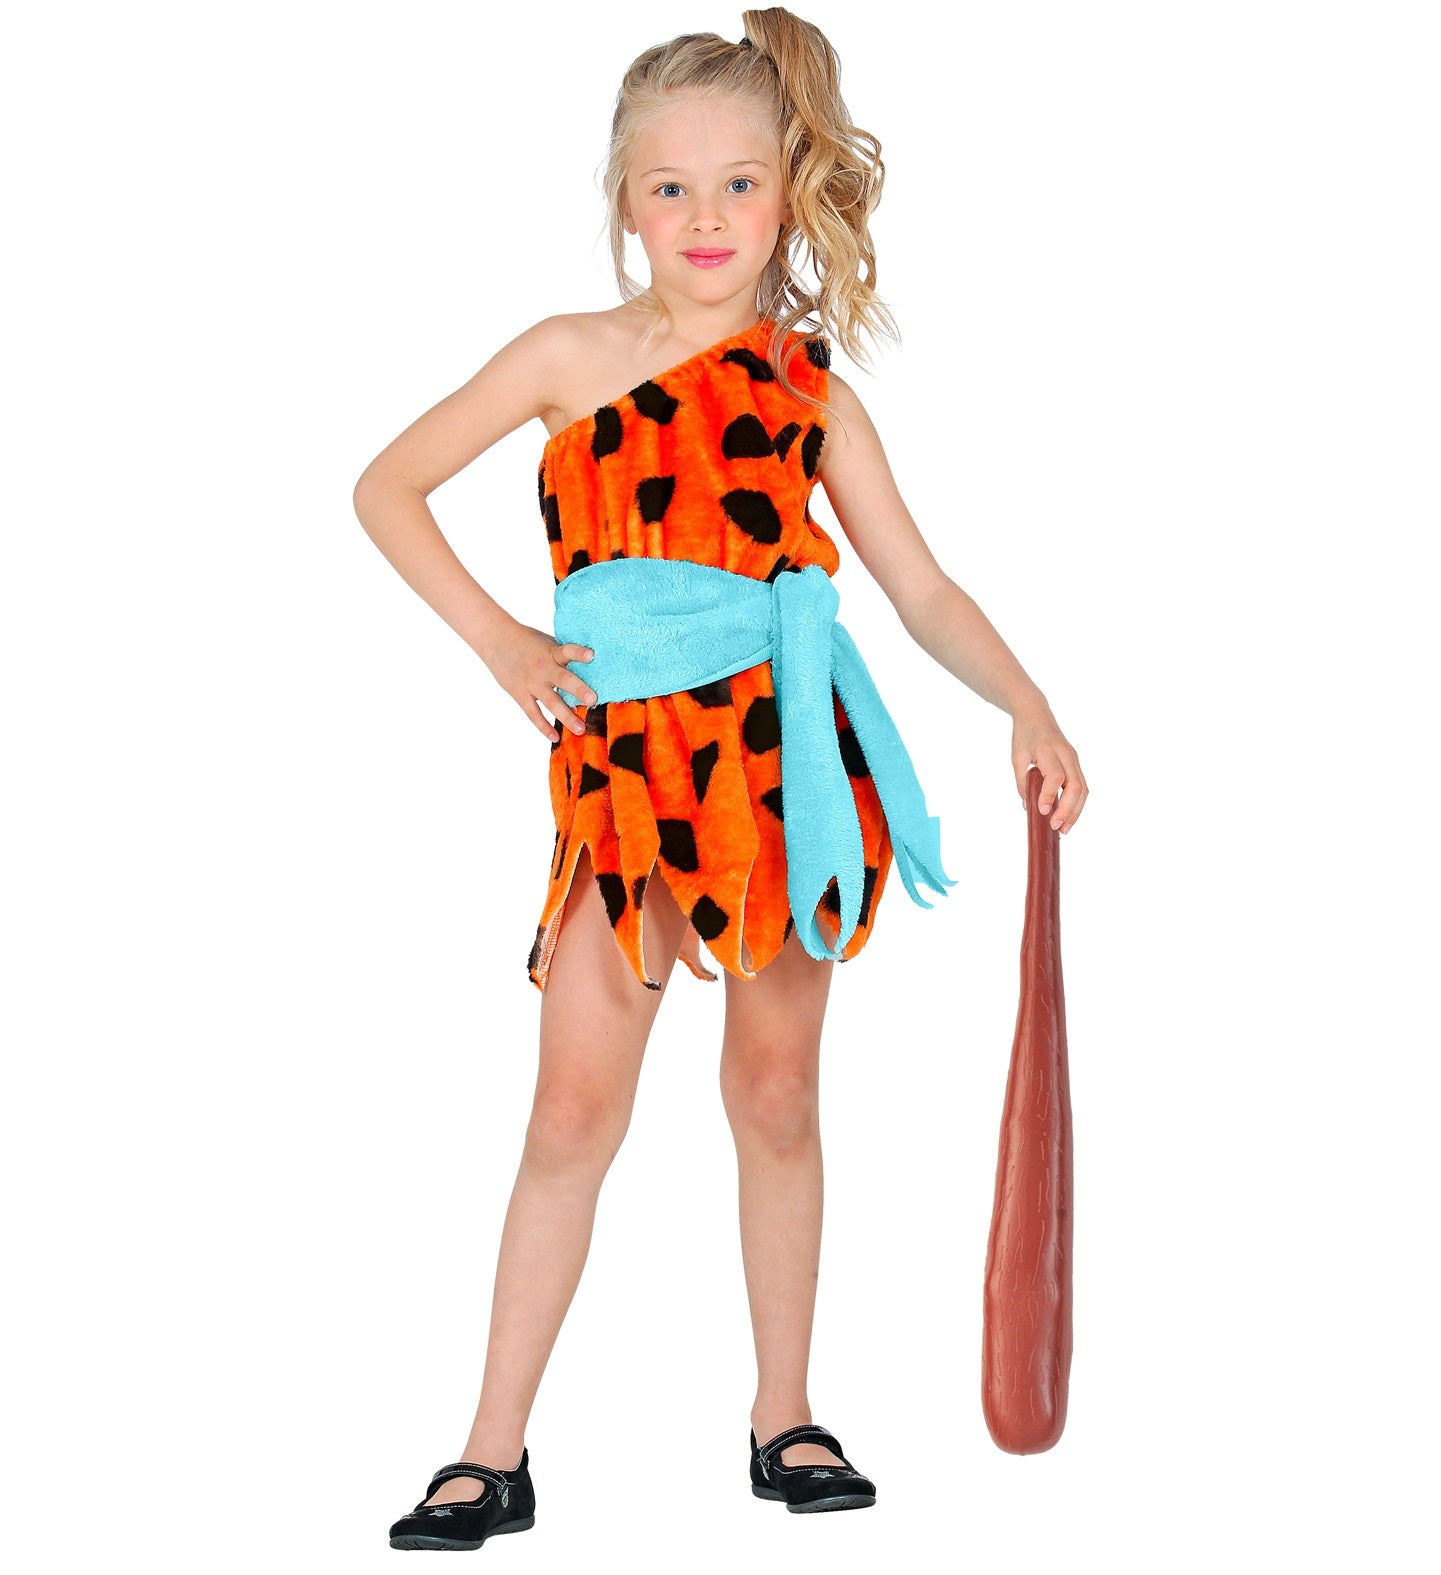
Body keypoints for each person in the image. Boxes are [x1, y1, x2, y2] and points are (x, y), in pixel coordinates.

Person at [354, 8, 1087, 1553]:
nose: (704, 217)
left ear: (789, 192)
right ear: (625, 201)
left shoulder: (808, 391)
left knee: (773, 1094)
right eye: (670, 187)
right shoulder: (564, 358)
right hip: (622, 775)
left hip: (774, 773)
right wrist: (501, 643)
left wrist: (1025, 703)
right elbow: (387, 486)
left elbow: (919, 589)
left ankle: (784, 1416)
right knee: (571, 1109)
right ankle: (490, 1449)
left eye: (739, 184)